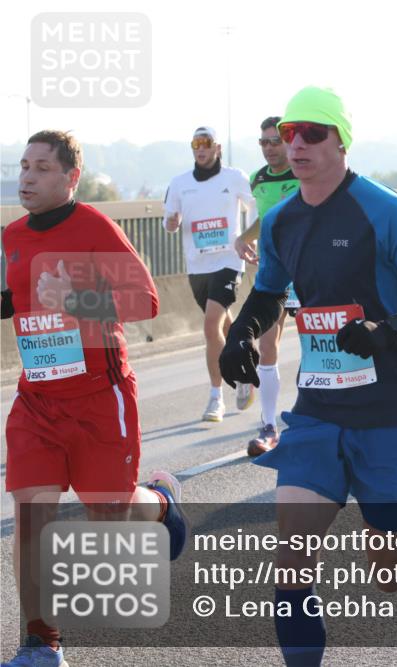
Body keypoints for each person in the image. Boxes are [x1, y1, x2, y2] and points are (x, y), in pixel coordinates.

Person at [218, 86, 397, 662]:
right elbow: (269, 294)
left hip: (390, 412)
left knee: (388, 572)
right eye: (289, 133)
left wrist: (389, 332)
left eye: (313, 133)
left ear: (341, 141)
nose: (297, 143)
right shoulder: (280, 222)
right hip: (319, 411)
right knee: (292, 557)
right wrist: (239, 333)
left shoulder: (385, 210)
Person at [2, 131, 187, 667]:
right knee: (32, 513)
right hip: (37, 402)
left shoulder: (95, 228)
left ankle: (160, 502)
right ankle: (42, 643)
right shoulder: (11, 235)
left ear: (69, 178)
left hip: (99, 400)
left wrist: (76, 298)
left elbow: (147, 301)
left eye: (41, 168)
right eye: (23, 166)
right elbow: (12, 299)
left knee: (112, 517)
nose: (27, 177)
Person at [163, 126, 258, 422]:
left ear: (217, 148)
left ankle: (216, 397)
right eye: (196, 144)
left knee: (210, 326)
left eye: (206, 143)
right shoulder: (179, 183)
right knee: (223, 325)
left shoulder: (235, 177)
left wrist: (249, 236)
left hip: (229, 261)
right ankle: (245, 370)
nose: (201, 149)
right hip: (197, 265)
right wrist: (173, 221)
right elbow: (169, 221)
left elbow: (258, 204)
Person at [233, 116, 301, 457]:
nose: (270, 148)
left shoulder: (303, 173)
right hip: (274, 273)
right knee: (267, 345)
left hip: (307, 271)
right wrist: (243, 239)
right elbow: (265, 217)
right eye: (264, 142)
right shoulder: (259, 180)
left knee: (317, 344)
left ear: (289, 142)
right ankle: (269, 426)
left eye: (275, 141)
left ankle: (313, 418)